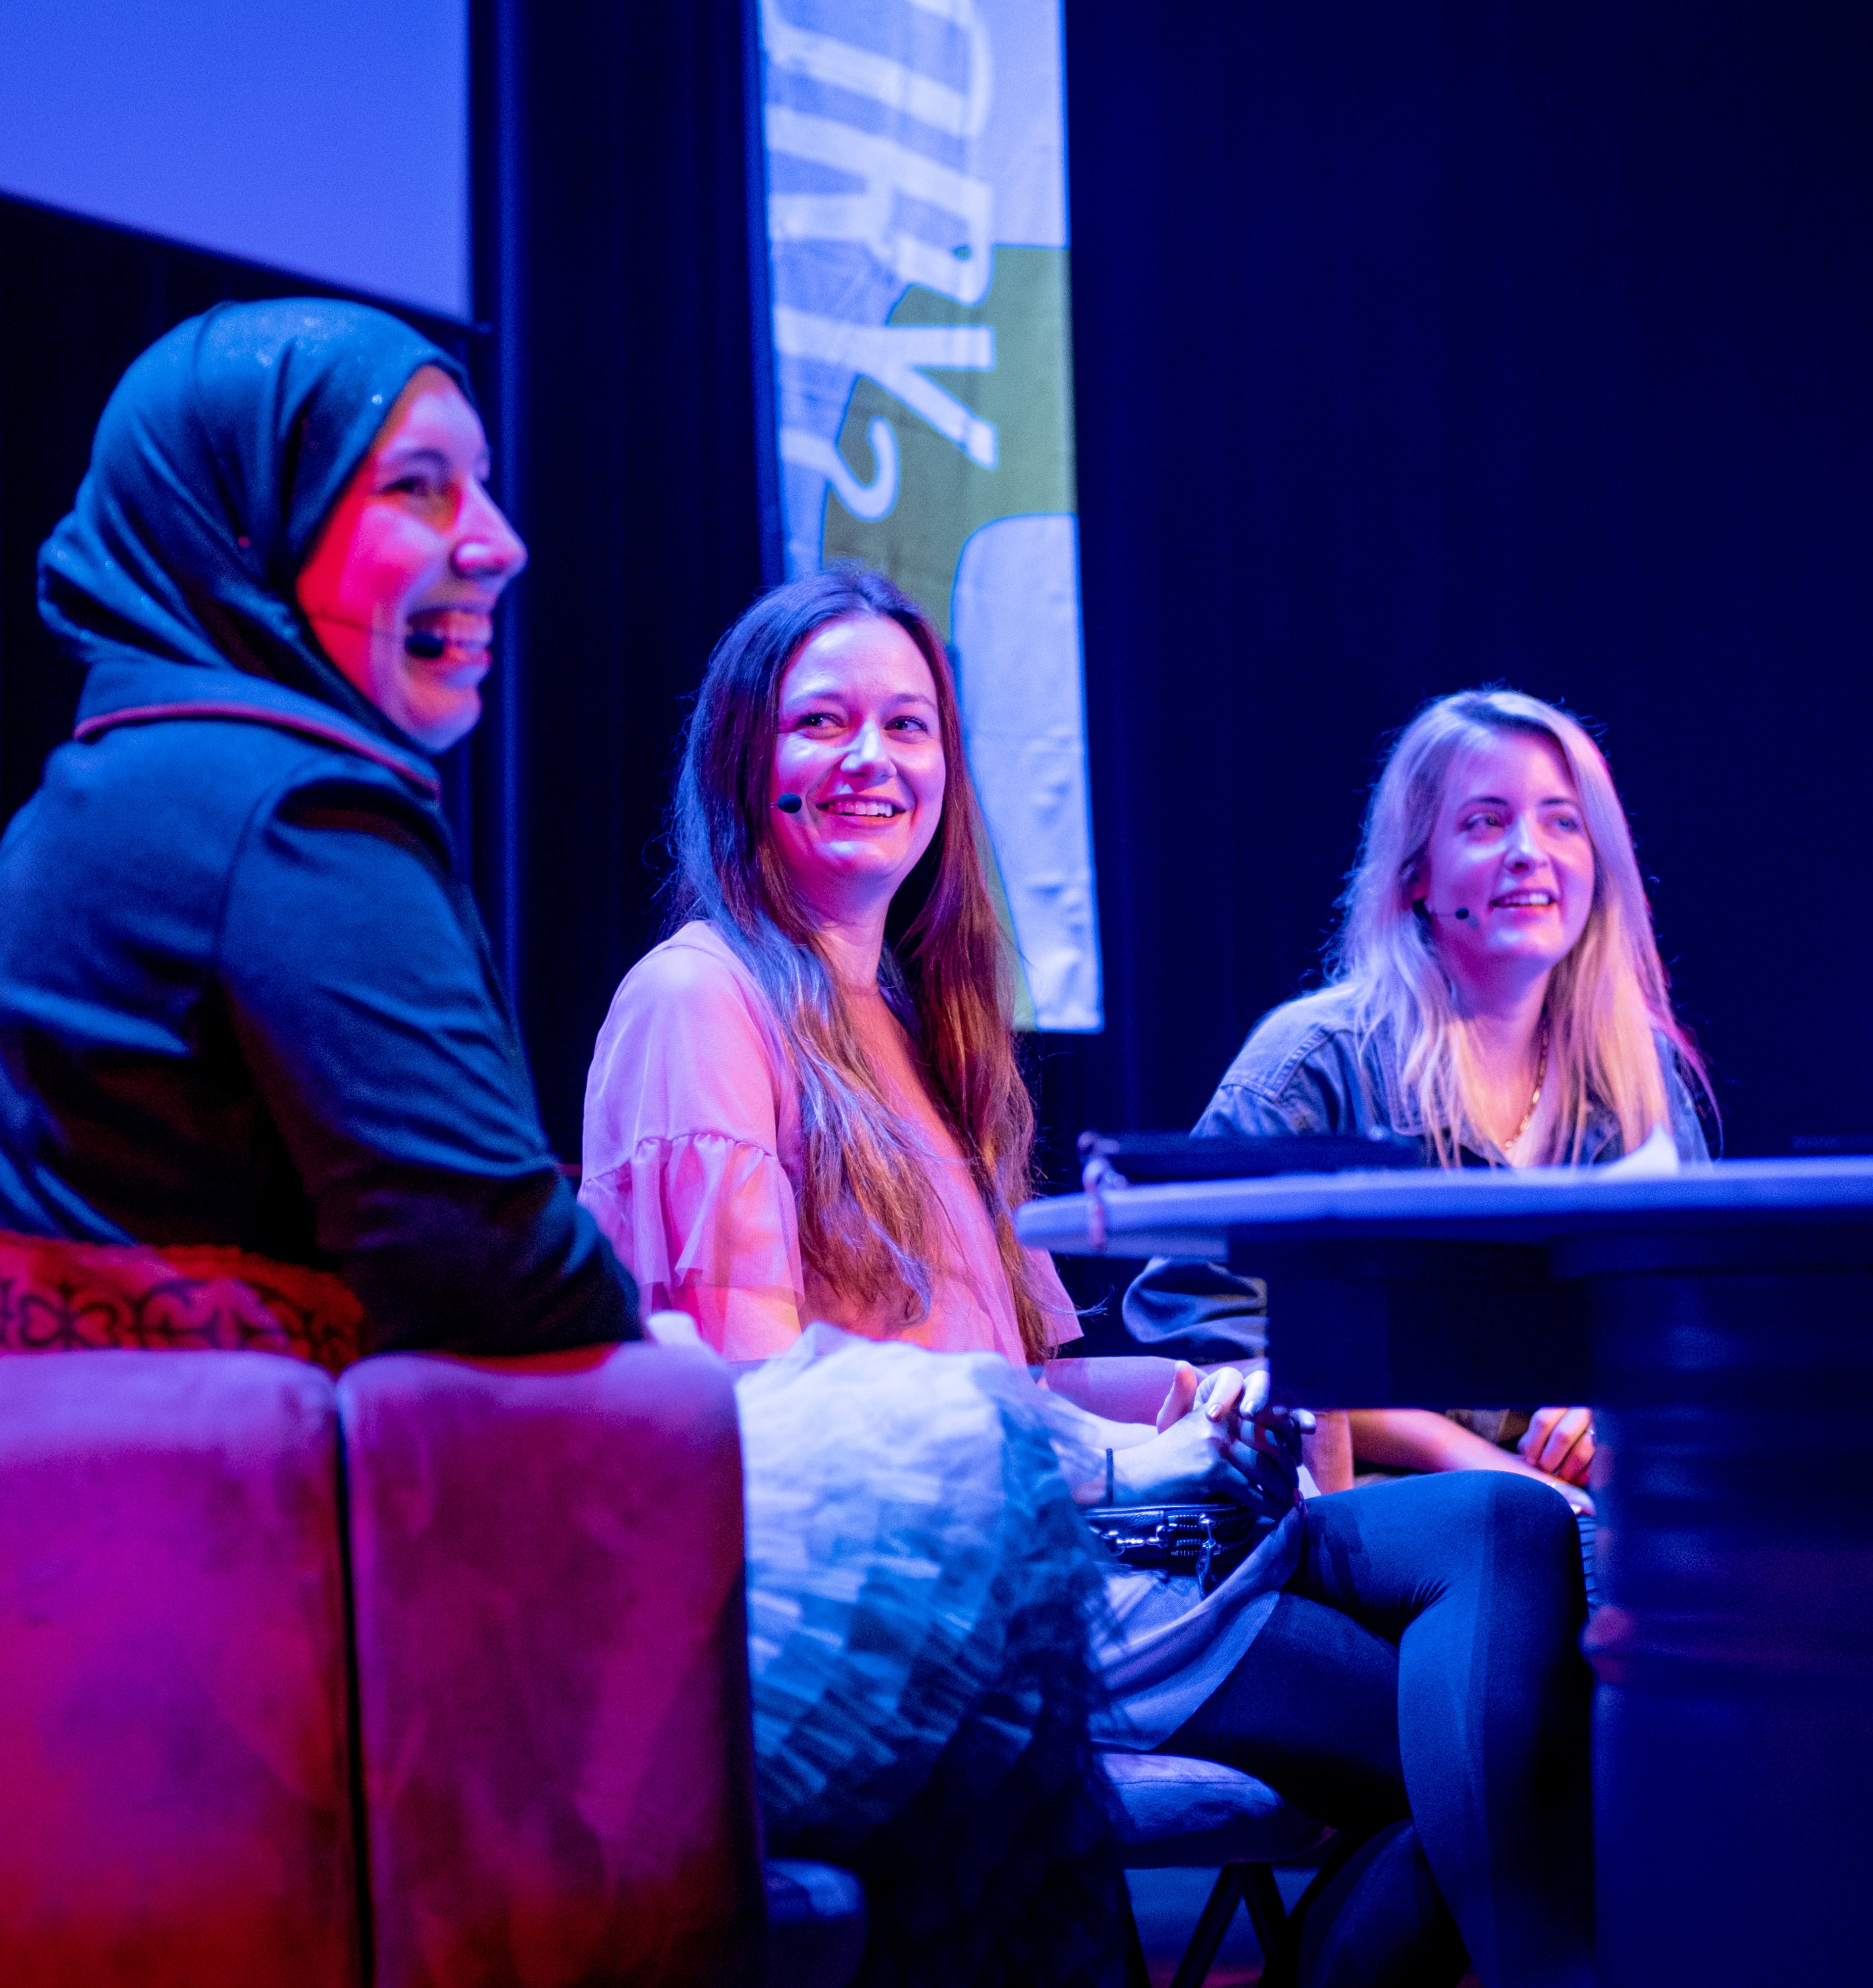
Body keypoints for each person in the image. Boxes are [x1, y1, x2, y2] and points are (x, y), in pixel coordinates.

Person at [585, 574, 1599, 1988]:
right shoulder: (700, 999)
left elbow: (1029, 1374)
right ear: (743, 756)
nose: (872, 759)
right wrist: (1120, 1464)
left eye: (908, 726)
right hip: (953, 1598)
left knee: (1506, 1534)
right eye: (823, 723)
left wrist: (1201, 1394)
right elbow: (770, 1422)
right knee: (1521, 1753)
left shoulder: (917, 1024)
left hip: (1086, 1543)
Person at [0, 298, 636, 1369]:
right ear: (244, 522)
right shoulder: (288, 807)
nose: (499, 544)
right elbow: (505, 1279)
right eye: (418, 486)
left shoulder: (133, 776)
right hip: (169, 1473)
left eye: (480, 482)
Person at [1124, 686, 1712, 1507]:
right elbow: (1202, 1320)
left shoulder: (1639, 1078)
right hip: (1371, 1514)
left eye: (1561, 822)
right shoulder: (1316, 1062)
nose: (1528, 852)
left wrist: (1608, 1405)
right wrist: (1465, 1456)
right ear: (1416, 878)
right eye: (1485, 822)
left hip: (1593, 1513)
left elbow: (1695, 1324)